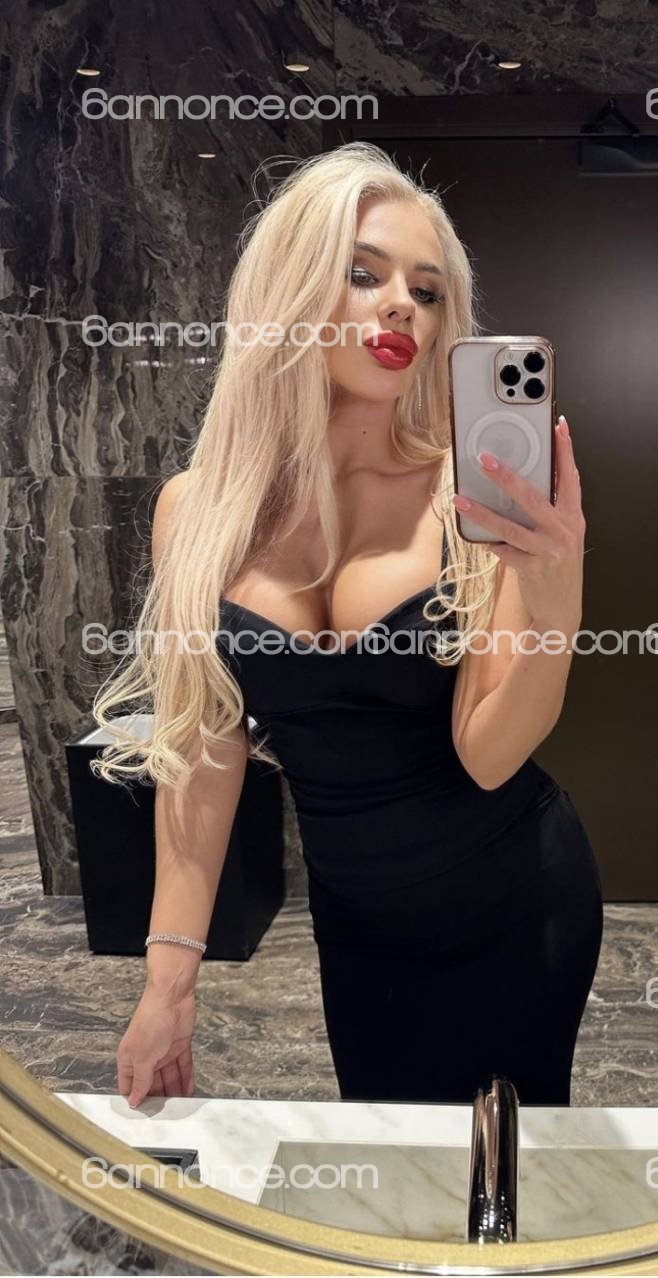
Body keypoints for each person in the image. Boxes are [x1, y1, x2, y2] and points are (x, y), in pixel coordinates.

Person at [101, 141, 603, 1108]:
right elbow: (204, 753)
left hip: (516, 901)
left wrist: (557, 604)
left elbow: (491, 754)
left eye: (426, 289)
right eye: (364, 274)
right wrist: (169, 981)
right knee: (385, 1160)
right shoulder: (196, 513)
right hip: (359, 922)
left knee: (505, 1168)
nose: (401, 306)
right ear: (288, 288)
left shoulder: (467, 498)